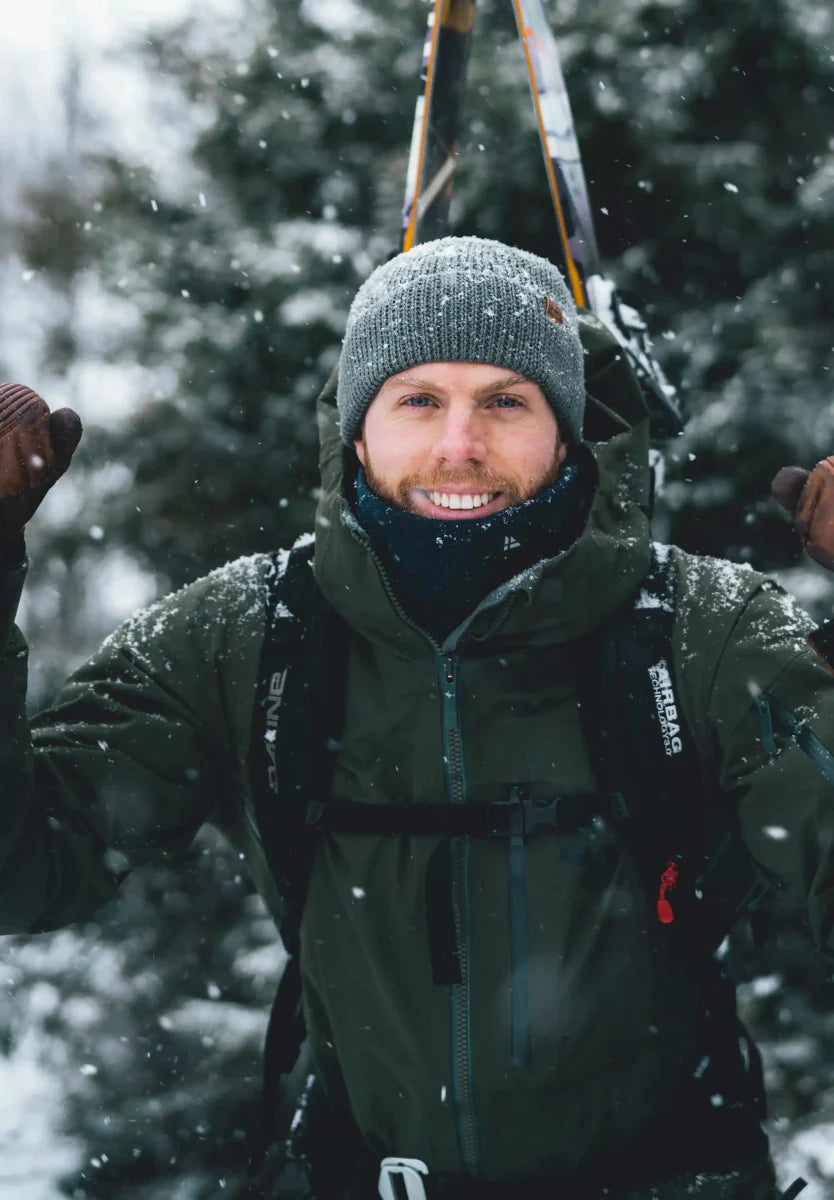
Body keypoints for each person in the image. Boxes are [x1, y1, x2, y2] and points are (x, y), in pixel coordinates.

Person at [0, 235, 832, 1200]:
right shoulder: (244, 637)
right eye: (418, 400)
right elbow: (23, 871)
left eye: (507, 401)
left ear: (567, 429)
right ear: (357, 432)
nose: (459, 446)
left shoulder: (706, 629)